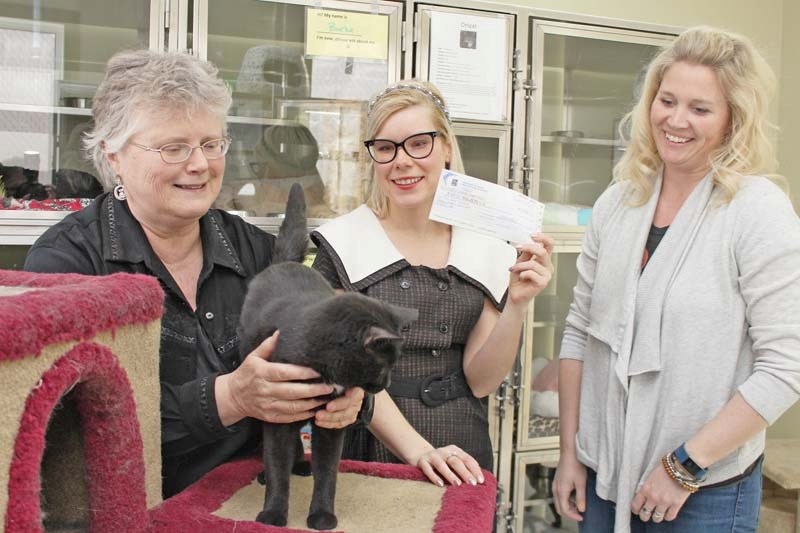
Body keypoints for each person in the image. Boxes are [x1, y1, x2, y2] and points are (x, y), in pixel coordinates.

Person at [23, 49, 364, 498]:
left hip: (244, 503)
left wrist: (345, 394)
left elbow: (318, 346)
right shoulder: (68, 266)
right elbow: (63, 425)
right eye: (173, 147)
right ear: (114, 153)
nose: (200, 164)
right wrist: (229, 399)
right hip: (125, 510)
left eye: (210, 143)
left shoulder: (253, 250)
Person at [552, 26, 800, 532]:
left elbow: (787, 366)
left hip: (702, 490)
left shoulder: (755, 210)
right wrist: (572, 454)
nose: (676, 120)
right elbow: (580, 335)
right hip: (604, 476)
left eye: (700, 108)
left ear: (733, 119)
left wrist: (684, 466)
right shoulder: (618, 202)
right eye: (667, 100)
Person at [311, 80, 554, 487]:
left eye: (418, 143)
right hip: (370, 445)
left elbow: (481, 380)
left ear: (445, 147)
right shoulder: (341, 245)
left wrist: (518, 305)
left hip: (461, 450)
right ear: (372, 156)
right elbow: (348, 368)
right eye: (386, 147)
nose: (402, 161)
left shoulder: (487, 248)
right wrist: (419, 451)